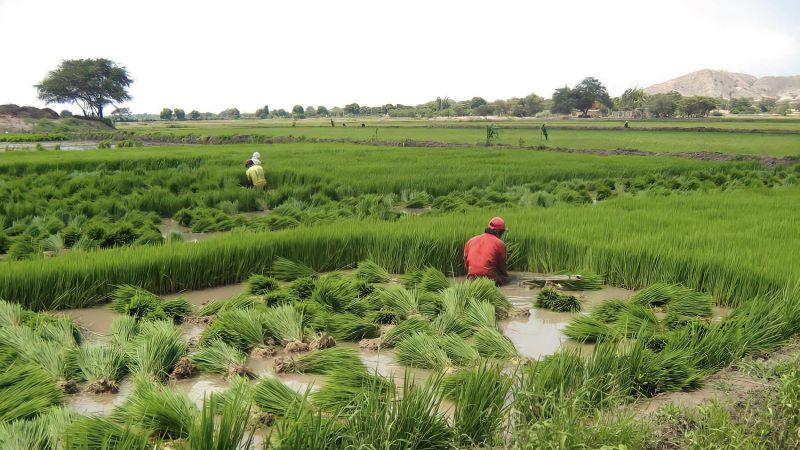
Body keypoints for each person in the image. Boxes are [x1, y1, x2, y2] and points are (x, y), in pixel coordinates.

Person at [463, 217, 509, 285]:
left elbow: (466, 261)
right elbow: (502, 266)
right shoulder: (500, 243)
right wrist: (506, 275)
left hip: (471, 278)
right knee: (510, 279)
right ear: (500, 232)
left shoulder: (471, 240)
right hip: (490, 279)